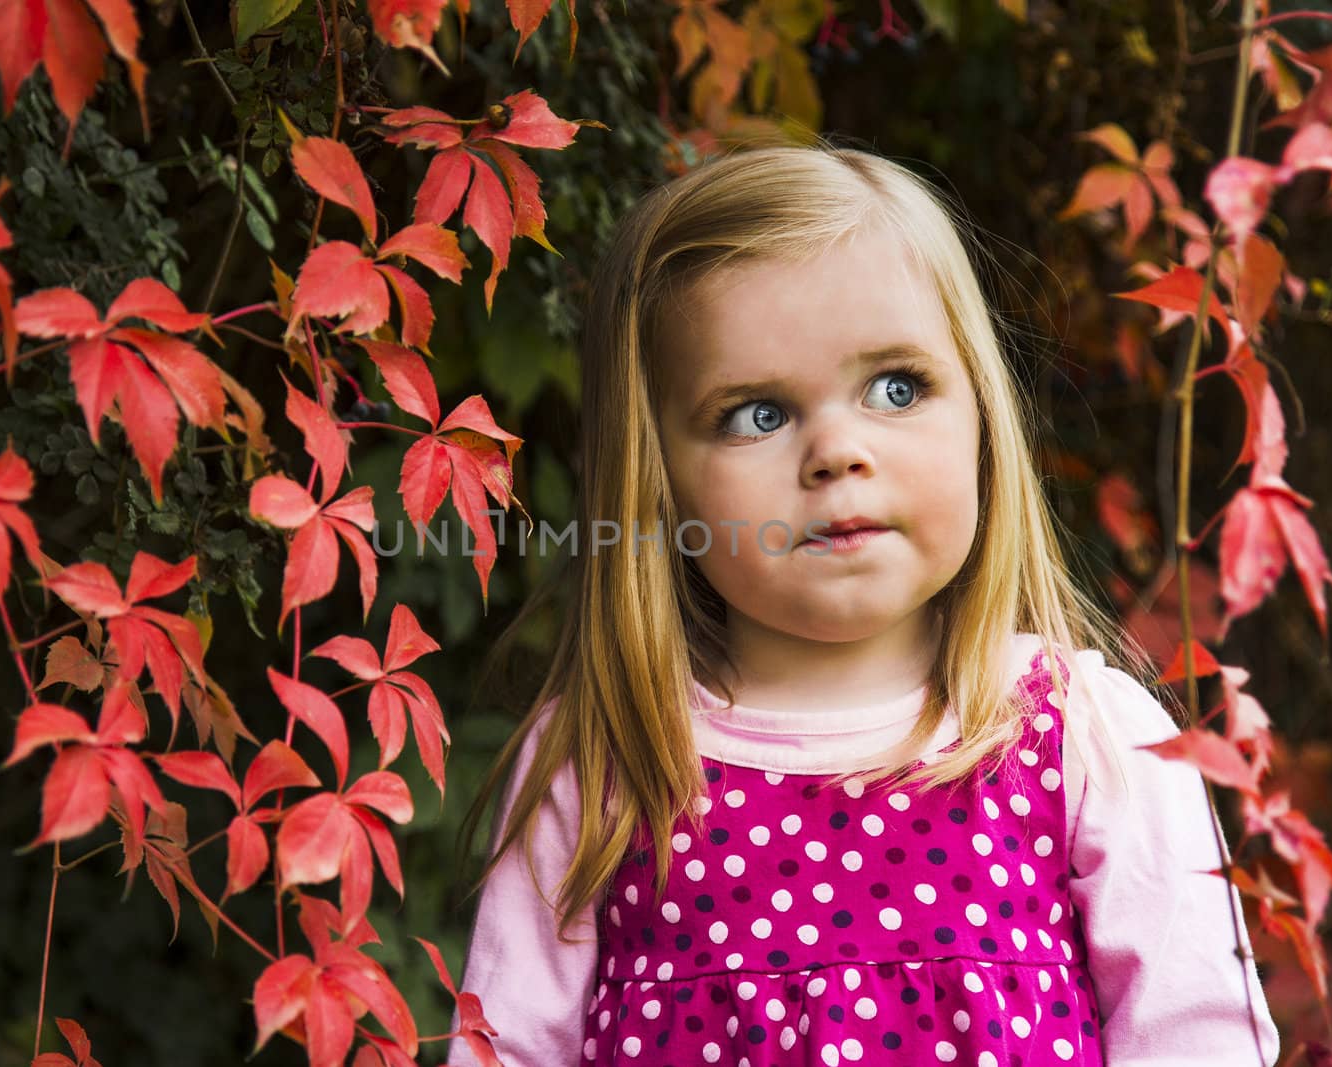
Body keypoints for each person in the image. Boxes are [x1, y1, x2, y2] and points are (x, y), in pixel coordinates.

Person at [444, 142, 1280, 1066]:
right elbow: (504, 1048)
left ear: (982, 417)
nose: (835, 450)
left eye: (896, 388)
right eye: (756, 413)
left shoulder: (1082, 738)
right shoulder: (606, 759)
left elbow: (1198, 1035)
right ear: (658, 483)